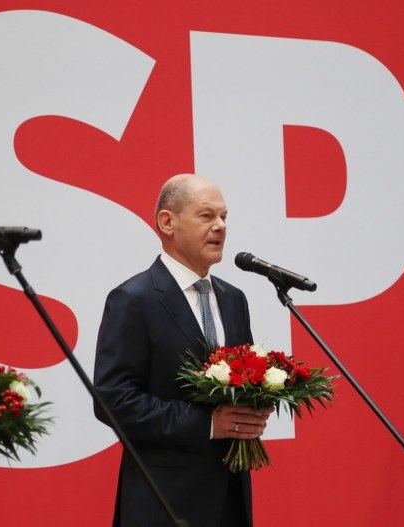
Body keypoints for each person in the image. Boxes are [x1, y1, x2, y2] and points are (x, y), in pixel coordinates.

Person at [93, 173, 274, 526]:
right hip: (163, 501)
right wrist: (207, 424)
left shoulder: (233, 299)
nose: (220, 226)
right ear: (167, 222)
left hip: (230, 497)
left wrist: (254, 408)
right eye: (207, 216)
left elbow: (242, 381)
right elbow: (112, 401)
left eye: (224, 217)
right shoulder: (133, 299)